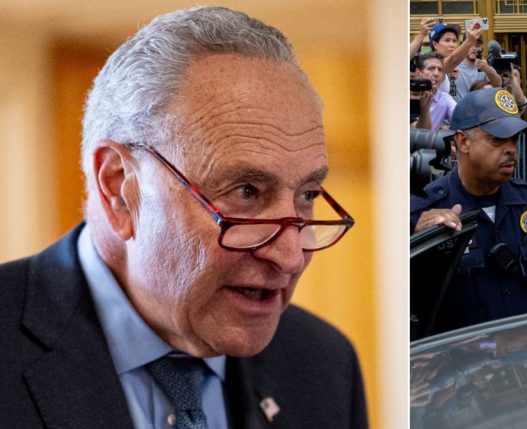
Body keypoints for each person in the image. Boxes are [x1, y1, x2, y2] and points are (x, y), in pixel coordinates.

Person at [0, 7, 367, 428]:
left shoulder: (324, 366)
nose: (290, 256)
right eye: (246, 193)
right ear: (119, 188)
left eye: (306, 195)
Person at [411, 87, 527, 334]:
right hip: (460, 366)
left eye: (514, 140)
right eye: (497, 139)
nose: (511, 149)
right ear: (463, 142)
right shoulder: (425, 212)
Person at [412, 52, 457, 132]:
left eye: (440, 70)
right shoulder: (406, 95)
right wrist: (424, 109)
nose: (436, 74)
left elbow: (460, 117)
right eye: (431, 69)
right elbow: (419, 133)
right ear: (419, 73)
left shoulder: (444, 98)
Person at [452, 36, 501, 102]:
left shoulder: (486, 67)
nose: (474, 48)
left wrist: (487, 70)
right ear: (463, 46)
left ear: (482, 47)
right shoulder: (453, 66)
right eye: (470, 45)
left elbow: (498, 86)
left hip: (479, 110)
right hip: (458, 110)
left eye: (477, 45)